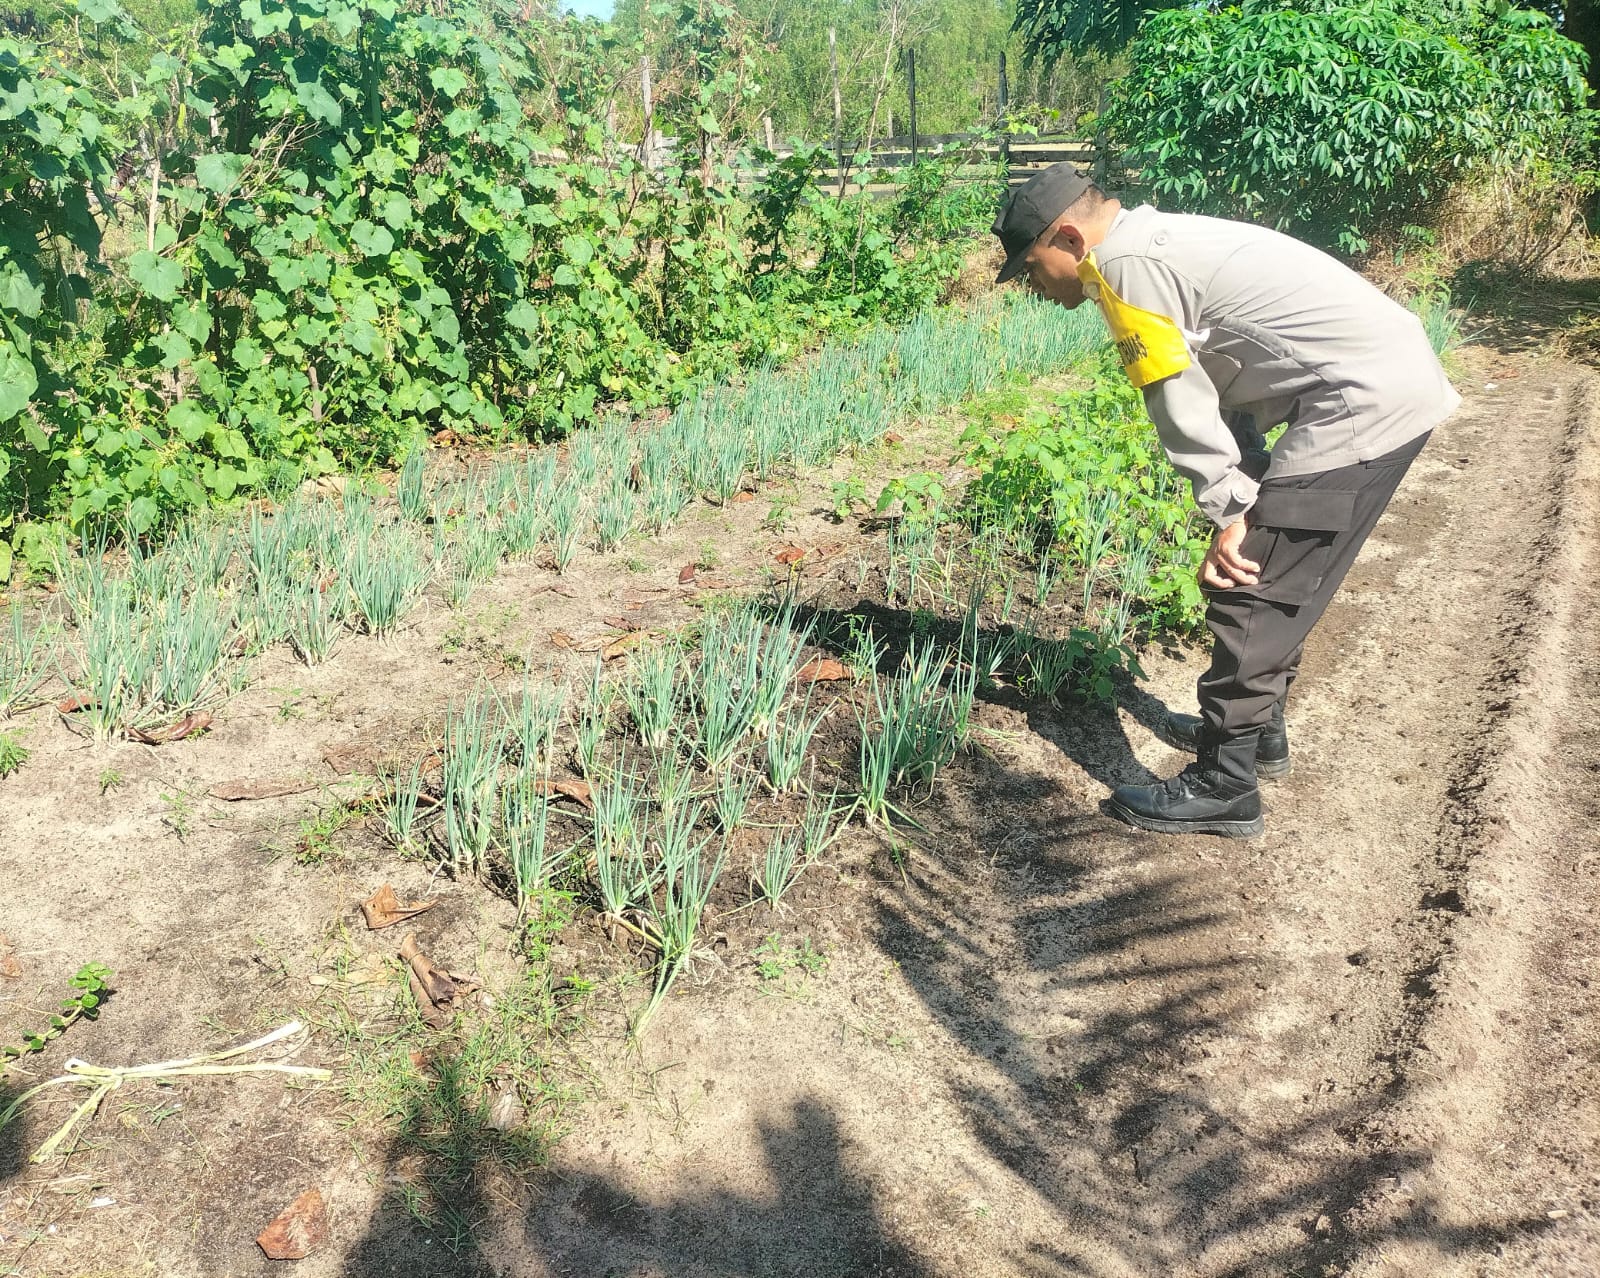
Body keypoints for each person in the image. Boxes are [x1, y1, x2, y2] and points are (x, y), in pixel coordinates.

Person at [991, 164, 1459, 838]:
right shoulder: (1152, 244)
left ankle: (1225, 785)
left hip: (1358, 401)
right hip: (1369, 382)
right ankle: (1258, 736)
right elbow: (1218, 372)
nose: (1033, 287)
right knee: (1268, 566)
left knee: (1250, 587)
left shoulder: (1126, 268)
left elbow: (1177, 397)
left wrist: (1231, 512)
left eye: (1031, 268)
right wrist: (1243, 484)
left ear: (1068, 237)